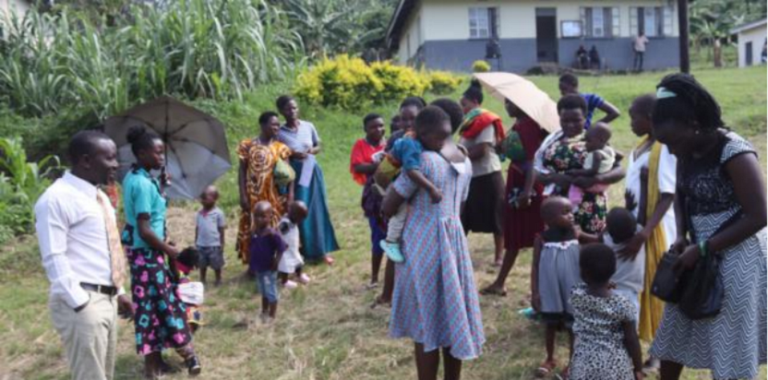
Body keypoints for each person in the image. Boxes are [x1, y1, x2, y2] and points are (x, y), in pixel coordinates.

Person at [649, 74, 767, 380]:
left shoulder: (734, 151)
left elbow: (758, 215)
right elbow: (681, 194)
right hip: (696, 248)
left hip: (739, 251)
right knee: (673, 330)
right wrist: (681, 235)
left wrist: (704, 248)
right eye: (665, 144)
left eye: (673, 142)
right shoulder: (686, 150)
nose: (671, 151)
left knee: (729, 339)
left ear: (693, 124)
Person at [383, 106, 484, 380]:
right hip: (453, 241)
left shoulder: (423, 162)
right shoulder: (464, 160)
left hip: (422, 244)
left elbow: (389, 206)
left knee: (425, 323)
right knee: (453, 316)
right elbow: (460, 204)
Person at [35, 131, 133, 380]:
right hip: (83, 301)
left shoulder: (99, 197)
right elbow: (54, 257)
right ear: (86, 160)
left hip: (107, 298)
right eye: (109, 158)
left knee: (104, 375)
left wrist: (119, 291)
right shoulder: (56, 199)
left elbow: (105, 248)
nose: (115, 164)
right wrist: (80, 303)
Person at [121, 126, 200, 378]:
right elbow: (145, 230)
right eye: (157, 153)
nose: (162, 157)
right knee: (164, 305)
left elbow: (151, 214)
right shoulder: (142, 184)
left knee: (150, 308)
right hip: (147, 256)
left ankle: (155, 363)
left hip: (143, 254)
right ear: (142, 153)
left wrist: (162, 188)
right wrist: (172, 252)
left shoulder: (135, 177)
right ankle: (179, 356)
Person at [622, 94, 676, 372]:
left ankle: (659, 352)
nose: (630, 123)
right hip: (637, 225)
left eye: (634, 117)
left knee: (657, 288)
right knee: (641, 286)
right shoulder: (643, 145)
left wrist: (646, 232)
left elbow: (668, 195)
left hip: (656, 230)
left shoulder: (663, 149)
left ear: (650, 118)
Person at [481, 98, 547, 296]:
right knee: (515, 234)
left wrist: (527, 191)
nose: (507, 106)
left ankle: (536, 287)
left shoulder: (529, 125)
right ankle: (501, 282)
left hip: (527, 184)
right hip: (518, 180)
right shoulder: (519, 123)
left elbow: (533, 159)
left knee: (531, 234)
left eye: (511, 103)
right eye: (506, 103)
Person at [535, 94, 625, 234]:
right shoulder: (552, 140)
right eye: (565, 120)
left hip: (588, 207)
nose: (570, 125)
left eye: (576, 120)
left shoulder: (593, 140)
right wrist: (553, 178)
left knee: (588, 244)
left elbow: (620, 170)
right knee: (560, 243)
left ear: (585, 117)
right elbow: (536, 170)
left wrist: (595, 179)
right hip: (557, 208)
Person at [373, 96, 427, 308]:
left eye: (412, 118)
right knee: (396, 243)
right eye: (403, 119)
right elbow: (384, 172)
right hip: (400, 194)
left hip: (423, 200)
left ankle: (416, 295)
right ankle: (387, 294)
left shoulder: (431, 137)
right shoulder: (398, 138)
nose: (407, 123)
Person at [276, 95, 339, 265]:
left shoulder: (308, 126)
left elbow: (318, 145)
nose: (292, 111)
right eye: (288, 108)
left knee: (317, 209)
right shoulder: (279, 132)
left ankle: (321, 250)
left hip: (311, 170)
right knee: (299, 210)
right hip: (294, 174)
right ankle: (302, 250)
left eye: (294, 107)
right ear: (281, 111)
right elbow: (277, 152)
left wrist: (312, 150)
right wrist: (292, 154)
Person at [569, 243, 643, 380]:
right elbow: (631, 339)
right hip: (615, 367)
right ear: (613, 270)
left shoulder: (576, 295)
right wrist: (638, 368)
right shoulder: (622, 305)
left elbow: (585, 285)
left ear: (582, 272)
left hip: (583, 365)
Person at [530, 196, 580, 379]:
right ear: (549, 219)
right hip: (550, 288)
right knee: (550, 323)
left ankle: (573, 362)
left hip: (572, 289)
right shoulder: (541, 239)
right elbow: (535, 266)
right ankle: (550, 358)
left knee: (573, 326)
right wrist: (535, 292)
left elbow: (597, 240)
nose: (571, 215)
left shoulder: (576, 234)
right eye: (565, 213)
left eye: (571, 211)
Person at [458, 80, 506, 266]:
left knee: (497, 215)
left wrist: (457, 158)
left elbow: (482, 150)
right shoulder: (468, 123)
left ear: (475, 102)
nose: (462, 108)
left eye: (465, 104)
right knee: (464, 216)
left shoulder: (485, 121)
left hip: (488, 174)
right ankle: (457, 253)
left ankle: (499, 256)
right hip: (470, 176)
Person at [237, 111, 293, 265]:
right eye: (273, 124)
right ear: (262, 125)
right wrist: (242, 194)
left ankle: (276, 264)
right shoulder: (247, 146)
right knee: (253, 230)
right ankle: (253, 265)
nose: (277, 127)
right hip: (253, 197)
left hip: (275, 199)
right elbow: (242, 171)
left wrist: (290, 196)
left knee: (274, 231)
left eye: (278, 125)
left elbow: (289, 175)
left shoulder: (281, 148)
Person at [579, 208, 645, 324]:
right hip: (629, 294)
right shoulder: (639, 237)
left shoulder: (606, 240)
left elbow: (600, 236)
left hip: (609, 290)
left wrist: (580, 234)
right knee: (629, 328)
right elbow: (642, 215)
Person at [350, 113, 387, 286]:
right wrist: (381, 165)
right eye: (373, 127)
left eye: (381, 125)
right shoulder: (360, 145)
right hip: (373, 196)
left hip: (392, 193)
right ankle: (374, 277)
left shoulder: (389, 143)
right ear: (365, 129)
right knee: (378, 235)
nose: (378, 129)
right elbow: (358, 166)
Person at [249, 201, 288, 324]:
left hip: (268, 269)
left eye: (262, 216)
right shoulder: (254, 232)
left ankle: (272, 315)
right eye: (256, 216)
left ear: (270, 217)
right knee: (263, 291)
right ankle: (264, 310)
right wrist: (251, 265)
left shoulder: (272, 233)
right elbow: (253, 248)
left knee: (270, 291)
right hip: (258, 268)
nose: (258, 219)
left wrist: (276, 261)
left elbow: (282, 247)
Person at [565, 122, 616, 205]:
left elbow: (592, 171)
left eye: (588, 141)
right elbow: (619, 156)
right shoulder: (609, 149)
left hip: (595, 184)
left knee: (576, 181)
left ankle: (574, 201)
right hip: (604, 183)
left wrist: (576, 171)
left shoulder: (597, 154)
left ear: (601, 140)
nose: (586, 144)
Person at [195, 185, 226, 286]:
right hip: (201, 244)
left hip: (214, 244)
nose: (203, 200)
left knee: (216, 263)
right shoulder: (199, 213)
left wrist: (222, 243)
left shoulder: (218, 213)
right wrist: (196, 240)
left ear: (215, 199)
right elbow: (197, 228)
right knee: (202, 263)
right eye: (202, 198)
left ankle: (218, 278)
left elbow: (221, 229)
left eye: (206, 197)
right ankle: (202, 279)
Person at [277, 201, 310, 287]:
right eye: (301, 219)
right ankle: (284, 281)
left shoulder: (293, 221)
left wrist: (298, 242)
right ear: (295, 215)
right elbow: (277, 234)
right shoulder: (285, 224)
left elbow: (294, 233)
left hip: (293, 248)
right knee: (285, 266)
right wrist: (281, 243)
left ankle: (299, 275)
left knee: (298, 261)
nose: (301, 221)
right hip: (285, 250)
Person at [173, 248, 204, 334]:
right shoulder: (180, 274)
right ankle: (187, 332)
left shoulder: (176, 267)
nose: (193, 269)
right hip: (175, 302)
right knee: (193, 311)